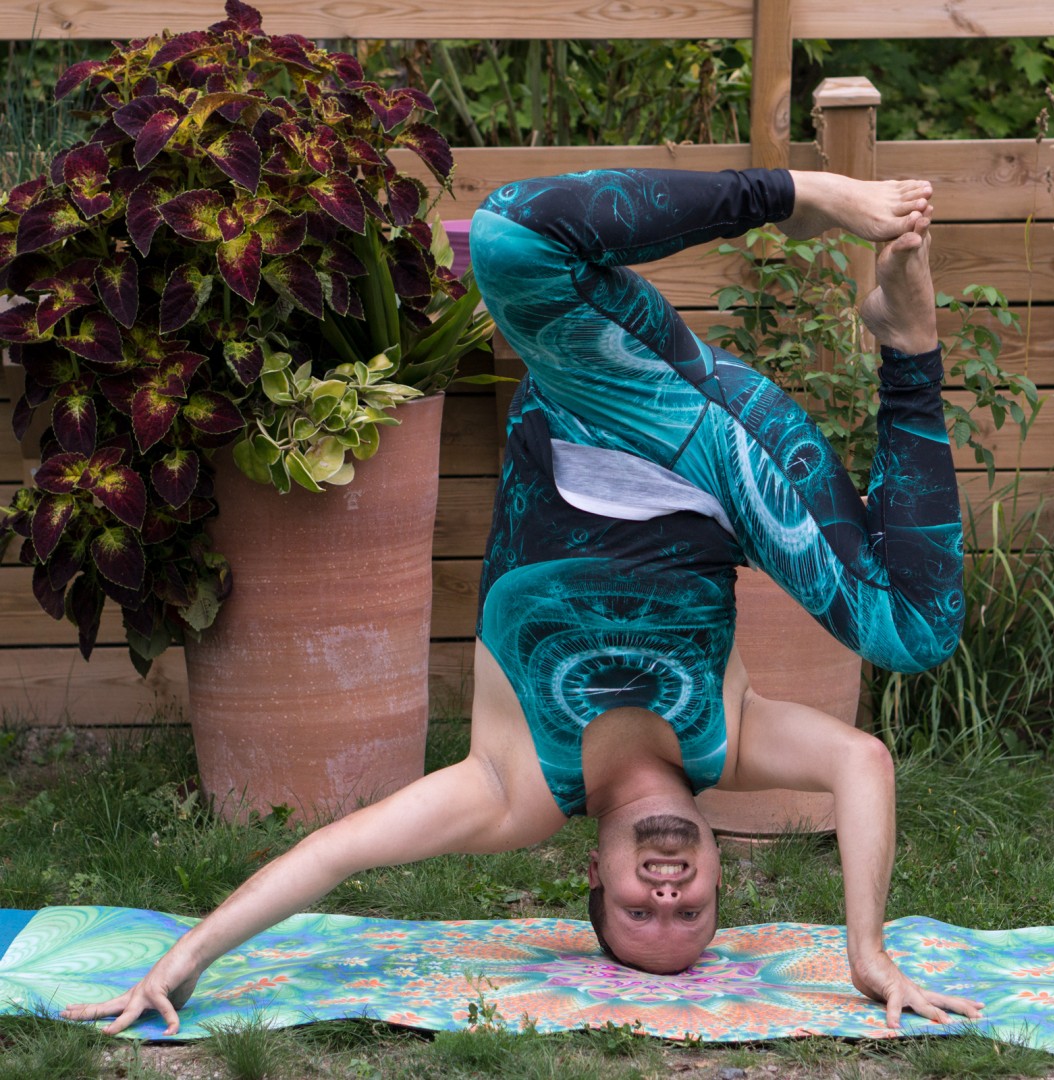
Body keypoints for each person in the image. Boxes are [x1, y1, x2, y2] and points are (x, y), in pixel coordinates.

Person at [62, 167, 985, 1036]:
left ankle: (795, 193)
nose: (666, 896)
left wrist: (186, 955)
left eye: (637, 910)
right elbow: (864, 763)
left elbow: (338, 851)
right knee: (915, 628)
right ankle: (906, 344)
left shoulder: (513, 789)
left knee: (507, 236)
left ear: (594, 871)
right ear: (713, 873)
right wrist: (865, 951)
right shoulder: (730, 742)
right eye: (690, 910)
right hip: (721, 454)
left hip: (606, 406)